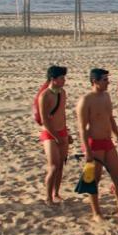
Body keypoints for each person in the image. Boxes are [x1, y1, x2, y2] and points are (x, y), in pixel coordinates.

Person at [76, 68, 118, 221]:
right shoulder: (85, 100)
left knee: (117, 176)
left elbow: (110, 119)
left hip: (108, 142)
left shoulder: (106, 96)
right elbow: (82, 127)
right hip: (94, 143)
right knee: (93, 179)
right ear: (95, 81)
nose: (108, 82)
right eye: (104, 80)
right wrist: (86, 149)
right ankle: (96, 213)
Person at [38, 65, 69, 204]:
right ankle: (48, 197)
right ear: (53, 79)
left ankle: (56, 193)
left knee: (61, 165)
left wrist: (66, 132)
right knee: (53, 166)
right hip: (49, 133)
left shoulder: (62, 92)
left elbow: (62, 114)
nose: (64, 80)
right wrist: (56, 136)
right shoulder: (45, 95)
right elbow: (44, 120)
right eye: (62, 78)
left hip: (62, 132)